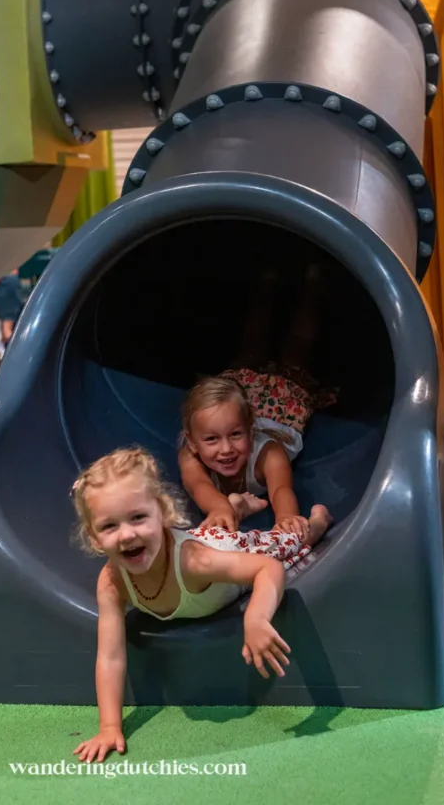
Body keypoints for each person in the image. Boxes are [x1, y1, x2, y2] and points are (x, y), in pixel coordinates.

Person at [71, 448, 331, 763]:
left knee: (290, 543)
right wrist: (109, 726)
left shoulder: (194, 561)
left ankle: (316, 522)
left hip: (224, 549)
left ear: (163, 515)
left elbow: (268, 568)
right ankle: (233, 508)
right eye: (109, 526)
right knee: (209, 531)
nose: (127, 535)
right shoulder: (112, 582)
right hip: (201, 539)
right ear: (95, 538)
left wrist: (256, 617)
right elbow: (110, 657)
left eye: (138, 517)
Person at [179, 263, 336, 538]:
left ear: (250, 429)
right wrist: (219, 508)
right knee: (255, 347)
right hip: (253, 403)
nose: (226, 449)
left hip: (282, 405)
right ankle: (266, 281)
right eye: (211, 440)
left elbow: (280, 489)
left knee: (293, 352)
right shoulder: (190, 457)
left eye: (236, 435)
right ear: (192, 442)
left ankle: (313, 283)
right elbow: (199, 487)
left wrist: (286, 516)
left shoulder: (268, 454)